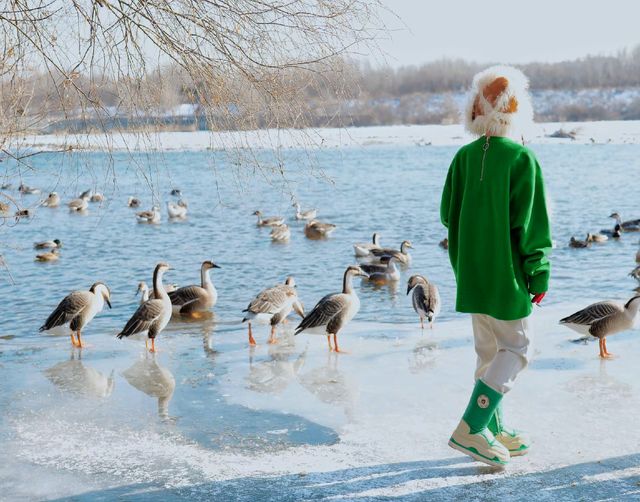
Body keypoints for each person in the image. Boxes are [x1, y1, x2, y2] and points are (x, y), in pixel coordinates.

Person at [440, 66, 552, 468]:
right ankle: (472, 425)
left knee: (488, 351)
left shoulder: (463, 157)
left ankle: (493, 428)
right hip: (506, 276)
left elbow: (446, 215)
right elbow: (532, 226)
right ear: (516, 109)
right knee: (517, 349)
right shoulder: (522, 158)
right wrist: (538, 273)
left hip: (470, 272)